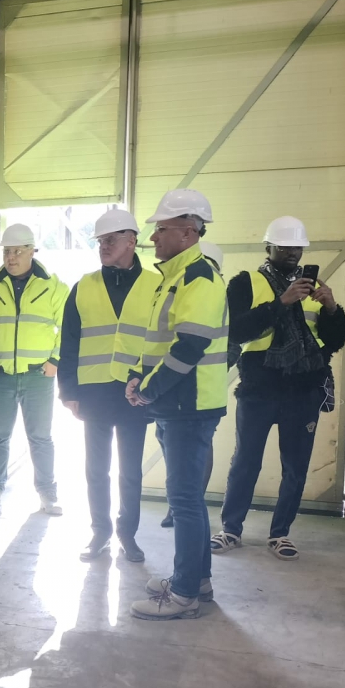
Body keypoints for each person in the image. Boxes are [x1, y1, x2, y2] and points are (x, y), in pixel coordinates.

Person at [211, 216, 345, 560]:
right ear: (269, 247)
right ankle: (230, 529)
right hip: (259, 389)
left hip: (303, 391)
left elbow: (335, 340)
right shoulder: (246, 283)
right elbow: (235, 331)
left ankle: (280, 534)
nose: (292, 252)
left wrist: (332, 308)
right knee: (245, 462)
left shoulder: (313, 287)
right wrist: (281, 303)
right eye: (284, 246)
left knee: (295, 467)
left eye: (297, 247)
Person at [124, 189, 229, 621]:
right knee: (188, 500)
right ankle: (197, 580)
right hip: (178, 404)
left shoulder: (198, 278)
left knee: (183, 500)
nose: (152, 237)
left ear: (187, 232)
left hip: (190, 405)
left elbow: (189, 347)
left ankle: (183, 594)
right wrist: (138, 376)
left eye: (160, 229)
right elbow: (158, 342)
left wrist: (149, 390)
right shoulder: (175, 277)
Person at [57, 208, 157, 563]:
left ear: (132, 241)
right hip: (94, 391)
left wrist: (155, 388)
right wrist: (68, 392)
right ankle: (100, 532)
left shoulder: (156, 285)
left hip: (135, 392)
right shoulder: (84, 286)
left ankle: (127, 534)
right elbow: (68, 342)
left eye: (111, 240)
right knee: (96, 470)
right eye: (100, 241)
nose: (104, 246)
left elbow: (162, 341)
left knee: (130, 472)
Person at [0, 223, 68, 516]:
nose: (10, 258)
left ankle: (47, 492)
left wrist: (55, 361)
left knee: (41, 437)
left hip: (39, 376)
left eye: (17, 252)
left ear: (31, 251)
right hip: (0, 376)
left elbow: (68, 327)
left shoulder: (53, 287)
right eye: (6, 252)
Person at [160, 240, 225, 531]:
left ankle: (186, 502)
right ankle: (177, 503)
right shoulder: (177, 287)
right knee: (173, 455)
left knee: (191, 472)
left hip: (196, 396)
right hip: (172, 392)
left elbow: (216, 345)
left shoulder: (209, 288)